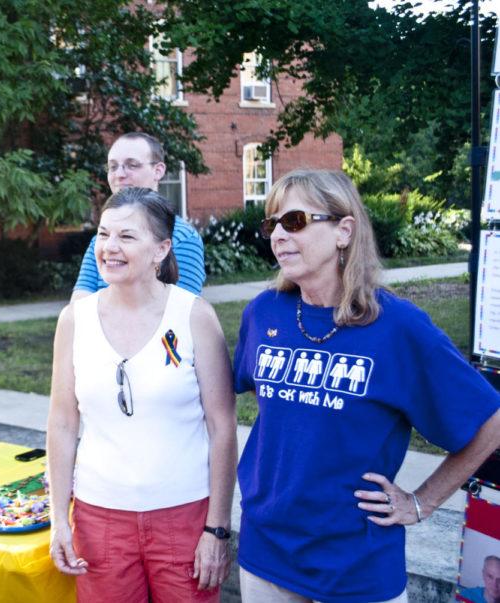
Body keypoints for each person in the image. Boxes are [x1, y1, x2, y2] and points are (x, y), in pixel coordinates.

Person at [233, 169, 500, 603]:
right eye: (272, 224)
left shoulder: (398, 327)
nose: (278, 234)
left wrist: (423, 502)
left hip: (355, 564)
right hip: (266, 552)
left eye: (294, 221)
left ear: (344, 230)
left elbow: (490, 420)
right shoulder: (264, 314)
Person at [48, 186, 237, 602]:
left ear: (161, 249)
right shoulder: (74, 320)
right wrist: (59, 519)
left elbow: (223, 428)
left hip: (184, 516)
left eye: (127, 237)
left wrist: (217, 528)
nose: (109, 248)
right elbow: (62, 424)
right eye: (103, 234)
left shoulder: (194, 317)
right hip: (100, 519)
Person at [71, 132, 206, 301]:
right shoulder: (103, 241)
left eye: (132, 165)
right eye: (113, 166)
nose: (119, 174)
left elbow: (180, 313)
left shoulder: (182, 237)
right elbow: (79, 306)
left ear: (158, 171)